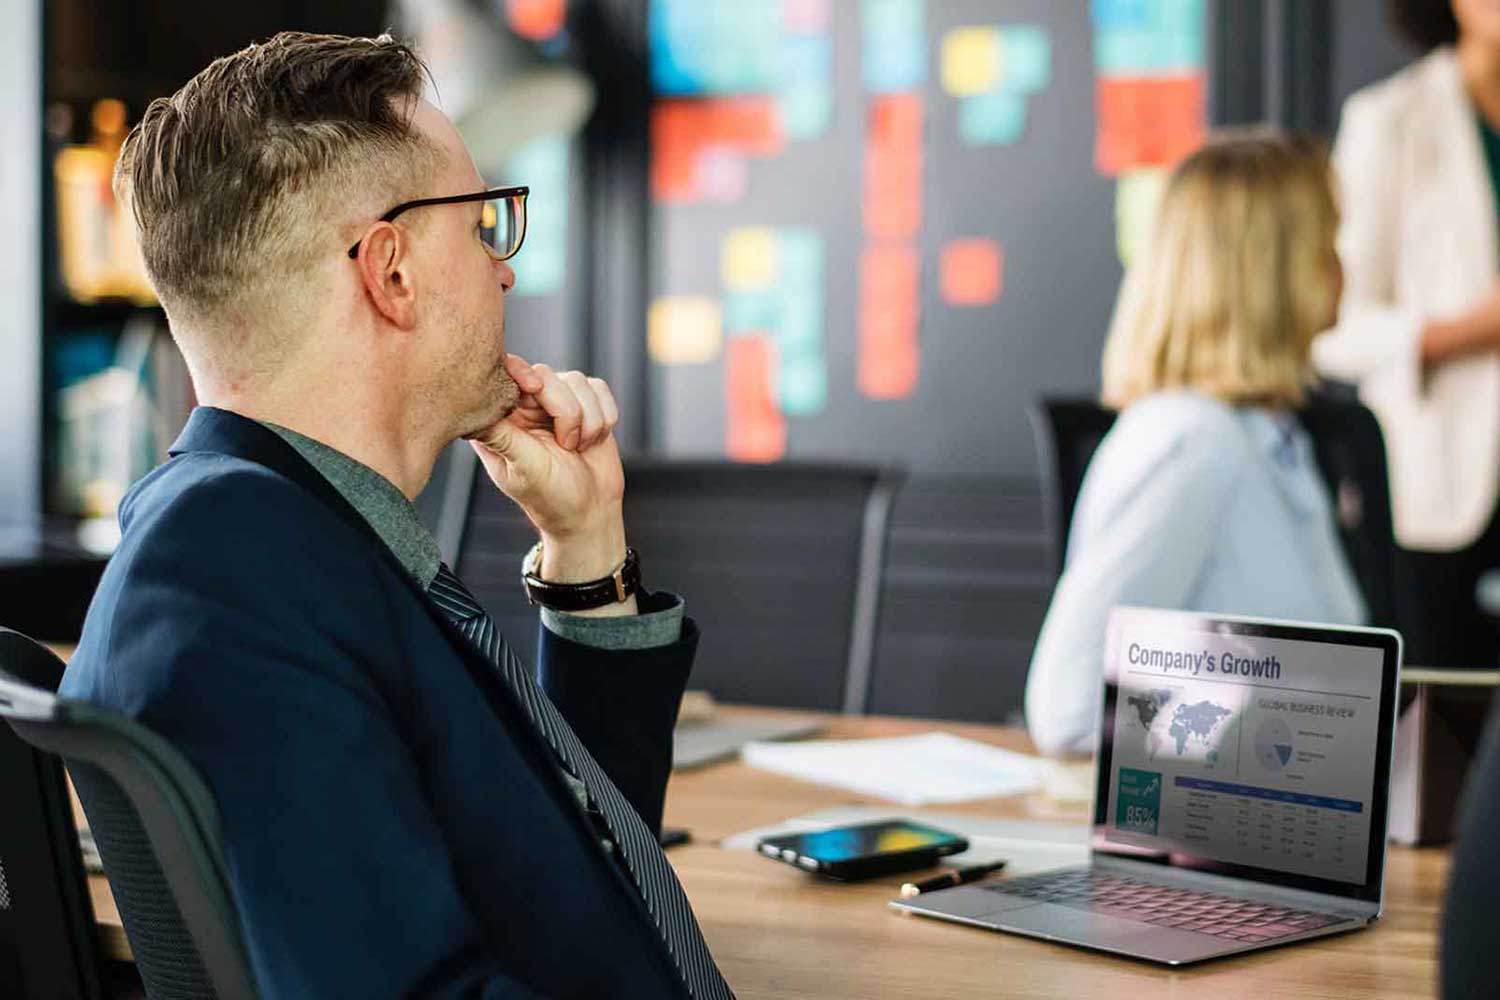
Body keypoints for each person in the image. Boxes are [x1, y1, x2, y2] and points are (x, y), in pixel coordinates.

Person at [59, 32, 731, 999]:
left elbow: (570, 880)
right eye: (482, 227)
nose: (504, 271)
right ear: (392, 273)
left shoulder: (263, 534)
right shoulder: (240, 584)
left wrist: (585, 552)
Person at [1024, 132, 1367, 757]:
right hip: (1225, 831)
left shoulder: (1271, 439)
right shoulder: (1190, 447)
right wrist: (1285, 740)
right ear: (1275, 270)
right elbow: (1069, 709)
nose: (1344, 264)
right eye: (1328, 241)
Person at [1314, 0, 1500, 667]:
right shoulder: (1390, 119)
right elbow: (1331, 328)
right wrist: (1464, 331)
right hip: (1440, 489)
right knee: (1442, 734)